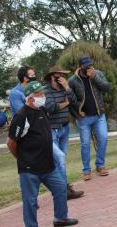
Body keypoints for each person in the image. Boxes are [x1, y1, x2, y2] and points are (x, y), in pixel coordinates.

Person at [6, 81, 78, 227]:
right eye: (40, 94)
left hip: (48, 165)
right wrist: (22, 159)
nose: (43, 96)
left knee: (60, 189)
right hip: (30, 169)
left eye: (43, 93)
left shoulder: (42, 110)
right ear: (31, 98)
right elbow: (11, 143)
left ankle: (60, 219)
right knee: (30, 201)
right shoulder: (21, 116)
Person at [44, 66, 84, 200]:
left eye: (62, 74)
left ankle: (62, 189)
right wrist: (65, 103)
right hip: (52, 130)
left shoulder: (64, 88)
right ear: (52, 76)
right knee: (59, 158)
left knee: (60, 160)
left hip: (64, 128)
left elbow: (73, 101)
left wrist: (67, 87)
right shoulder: (46, 91)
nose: (61, 76)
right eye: (58, 74)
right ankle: (64, 190)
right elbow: (50, 107)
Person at [68, 56, 110, 181]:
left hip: (99, 115)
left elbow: (107, 87)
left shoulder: (97, 74)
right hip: (83, 119)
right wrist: (77, 114)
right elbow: (70, 100)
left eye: (90, 65)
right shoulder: (73, 81)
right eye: (86, 66)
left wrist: (94, 77)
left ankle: (100, 166)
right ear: (80, 66)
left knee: (103, 138)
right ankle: (86, 170)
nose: (88, 68)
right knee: (85, 144)